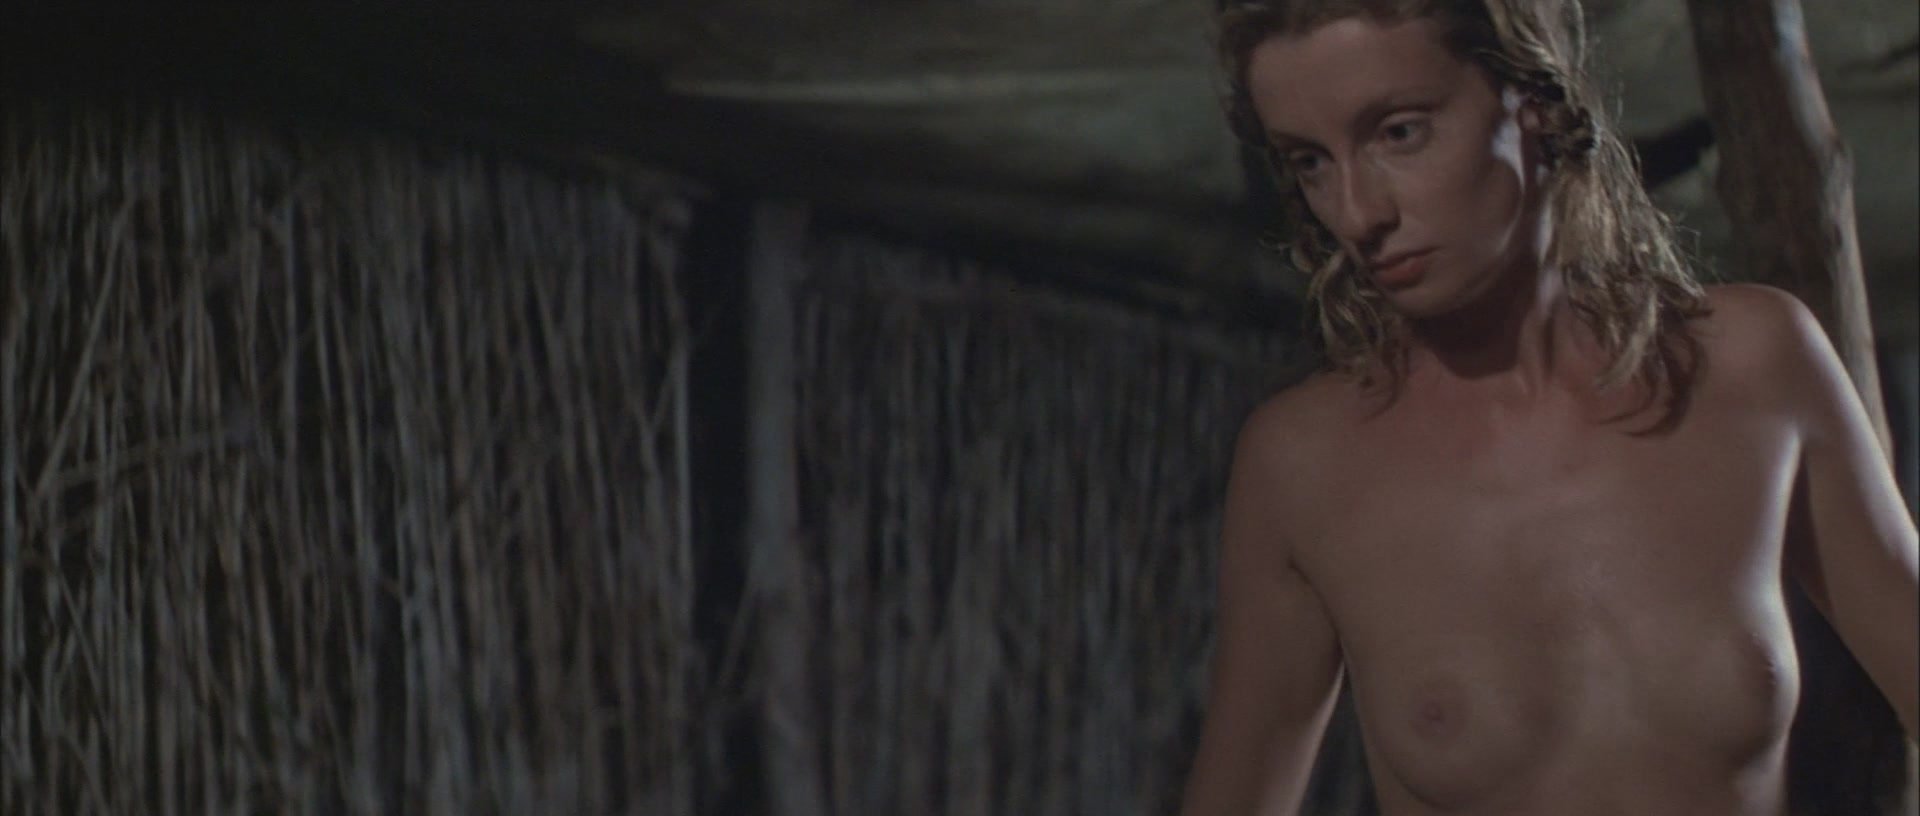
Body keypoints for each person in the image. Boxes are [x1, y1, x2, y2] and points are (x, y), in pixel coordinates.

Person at [1178, 1, 1920, 813]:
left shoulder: (1751, 367)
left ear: (1530, 97)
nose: (1358, 214)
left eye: (1399, 133)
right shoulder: (1304, 466)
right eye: (1311, 162)